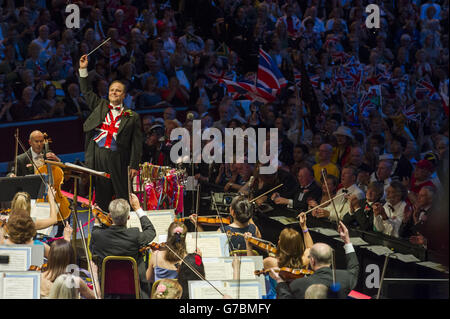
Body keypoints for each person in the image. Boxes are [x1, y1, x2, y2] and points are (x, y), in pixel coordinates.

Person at [78, 54, 143, 212]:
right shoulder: (100, 105)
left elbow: (137, 143)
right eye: (112, 90)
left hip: (119, 158)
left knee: (122, 195)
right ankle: (103, 227)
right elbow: (86, 91)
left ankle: (125, 225)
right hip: (99, 156)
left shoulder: (132, 116)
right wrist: (83, 69)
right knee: (101, 195)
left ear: (124, 95)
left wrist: (134, 165)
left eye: (118, 91)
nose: (114, 92)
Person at [90, 194, 156, 299]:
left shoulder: (98, 236)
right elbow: (151, 231)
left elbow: (92, 248)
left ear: (110, 216)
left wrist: (97, 221)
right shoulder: (134, 235)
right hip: (135, 292)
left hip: (108, 292)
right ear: (128, 217)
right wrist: (138, 209)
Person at [274, 221, 359, 299]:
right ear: (331, 260)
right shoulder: (346, 278)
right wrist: (347, 241)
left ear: (312, 261)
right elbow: (354, 267)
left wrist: (281, 283)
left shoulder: (298, 285)